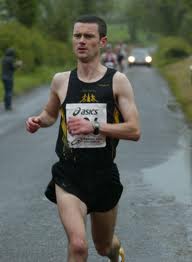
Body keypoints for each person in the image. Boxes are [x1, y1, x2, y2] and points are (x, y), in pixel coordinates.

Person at [26, 15, 140, 262]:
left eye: (88, 36)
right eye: (77, 36)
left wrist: (95, 127)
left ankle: (116, 252)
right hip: (69, 175)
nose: (81, 41)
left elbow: (134, 130)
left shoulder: (117, 81)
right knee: (78, 245)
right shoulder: (61, 80)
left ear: (102, 41)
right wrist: (38, 121)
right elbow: (50, 113)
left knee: (103, 245)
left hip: (103, 175)